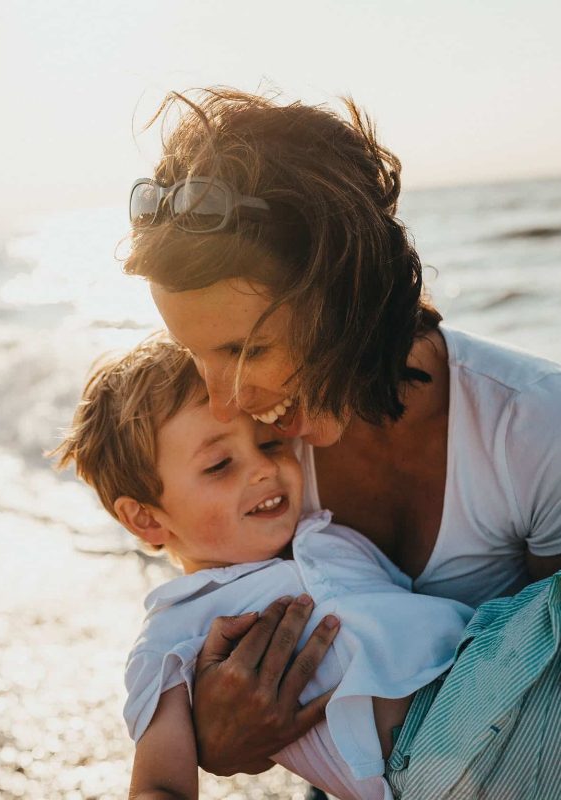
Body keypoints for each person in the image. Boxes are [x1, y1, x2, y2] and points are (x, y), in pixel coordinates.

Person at [122, 88, 561, 796]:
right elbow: (257, 653)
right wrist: (224, 739)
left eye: (247, 349)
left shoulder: (534, 427)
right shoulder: (253, 462)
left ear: (347, 297)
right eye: (194, 355)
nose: (226, 399)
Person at [52, 334, 474, 800]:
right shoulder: (175, 633)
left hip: (491, 661)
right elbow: (158, 786)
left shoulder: (329, 533)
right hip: (438, 766)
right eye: (219, 465)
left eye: (271, 443)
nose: (262, 469)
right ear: (147, 517)